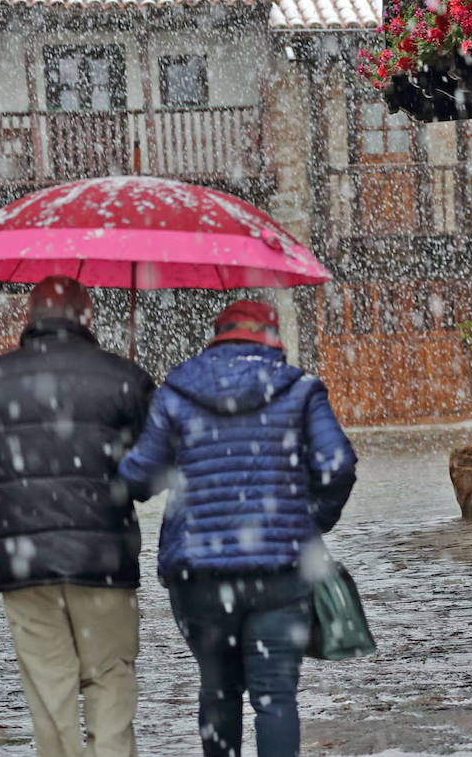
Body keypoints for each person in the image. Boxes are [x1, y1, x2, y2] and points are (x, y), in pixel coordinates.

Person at [119, 297, 357, 757]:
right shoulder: (301, 389)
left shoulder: (175, 392)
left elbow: (138, 479)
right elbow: (338, 464)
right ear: (272, 337)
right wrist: (310, 521)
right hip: (280, 572)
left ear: (216, 335)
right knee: (275, 697)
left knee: (218, 689)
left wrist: (136, 440)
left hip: (199, 575)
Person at [0, 275, 155, 757]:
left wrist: (3, 529)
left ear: (28, 317)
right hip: (104, 559)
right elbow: (153, 473)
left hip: (24, 564)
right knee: (110, 678)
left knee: (49, 687)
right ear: (88, 315)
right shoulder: (124, 378)